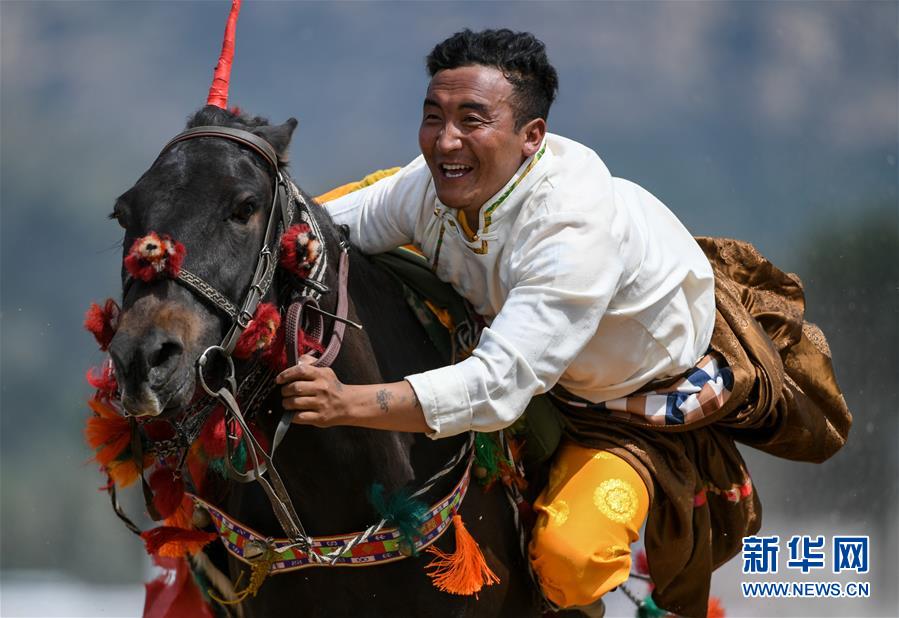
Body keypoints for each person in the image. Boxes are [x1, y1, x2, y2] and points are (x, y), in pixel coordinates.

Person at [276, 29, 851, 617]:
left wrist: (346, 402)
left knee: (570, 561)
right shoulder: (430, 186)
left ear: (532, 137)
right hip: (517, 352)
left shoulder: (572, 232)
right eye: (433, 116)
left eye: (471, 120)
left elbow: (496, 385)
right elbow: (315, 234)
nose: (445, 140)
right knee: (332, 209)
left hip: (627, 410)